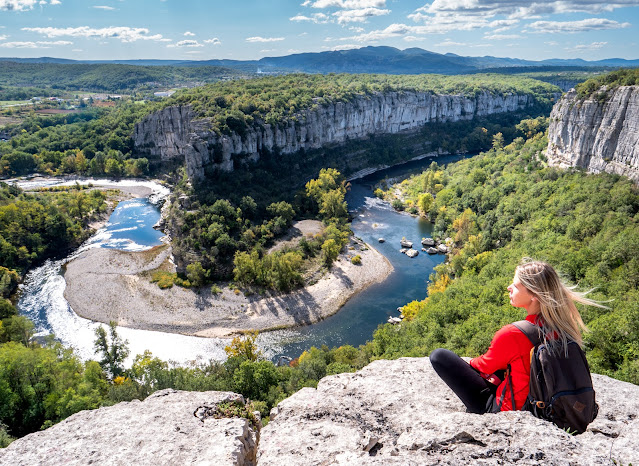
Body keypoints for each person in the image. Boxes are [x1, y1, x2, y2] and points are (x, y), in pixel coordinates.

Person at [429, 258, 604, 414]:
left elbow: (482, 366)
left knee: (440, 356)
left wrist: (474, 364)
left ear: (534, 295)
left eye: (516, 285)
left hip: (509, 411)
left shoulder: (514, 334)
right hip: (547, 406)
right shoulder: (565, 328)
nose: (509, 288)